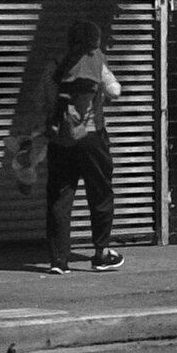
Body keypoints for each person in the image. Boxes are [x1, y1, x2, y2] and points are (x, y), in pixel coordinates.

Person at [43, 17, 123, 272]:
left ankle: (59, 260)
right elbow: (114, 91)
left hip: (60, 138)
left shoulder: (55, 65)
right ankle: (101, 253)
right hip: (91, 138)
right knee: (100, 192)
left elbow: (43, 101)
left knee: (59, 197)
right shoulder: (96, 61)